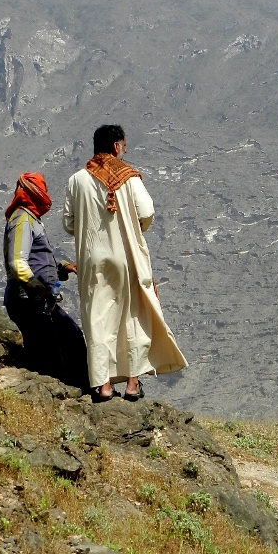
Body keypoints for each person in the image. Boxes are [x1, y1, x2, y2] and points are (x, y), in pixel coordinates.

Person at [63, 124, 187, 402]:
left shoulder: (77, 180)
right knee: (133, 315)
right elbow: (147, 211)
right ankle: (133, 384)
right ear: (117, 147)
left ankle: (104, 386)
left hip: (92, 259)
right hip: (127, 257)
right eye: (125, 146)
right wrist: (133, 225)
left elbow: (69, 223)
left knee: (97, 318)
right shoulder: (129, 178)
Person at [3, 171, 89, 391]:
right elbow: (17, 263)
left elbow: (38, 261)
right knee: (57, 345)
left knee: (67, 339)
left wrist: (61, 269)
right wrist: (40, 290)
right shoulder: (22, 220)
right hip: (27, 300)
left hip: (37, 299)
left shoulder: (32, 219)